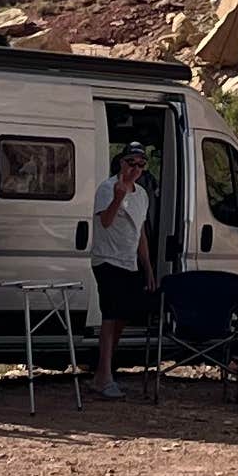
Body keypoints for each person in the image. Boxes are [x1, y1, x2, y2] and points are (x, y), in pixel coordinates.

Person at [89, 144, 154, 401]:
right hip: (107, 260)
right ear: (121, 162)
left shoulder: (142, 195)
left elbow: (140, 234)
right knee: (110, 314)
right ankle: (104, 376)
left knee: (122, 317)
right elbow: (104, 222)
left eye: (141, 164)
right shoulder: (107, 188)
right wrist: (117, 199)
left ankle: (102, 371)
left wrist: (147, 267)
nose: (135, 169)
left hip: (129, 262)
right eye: (131, 162)